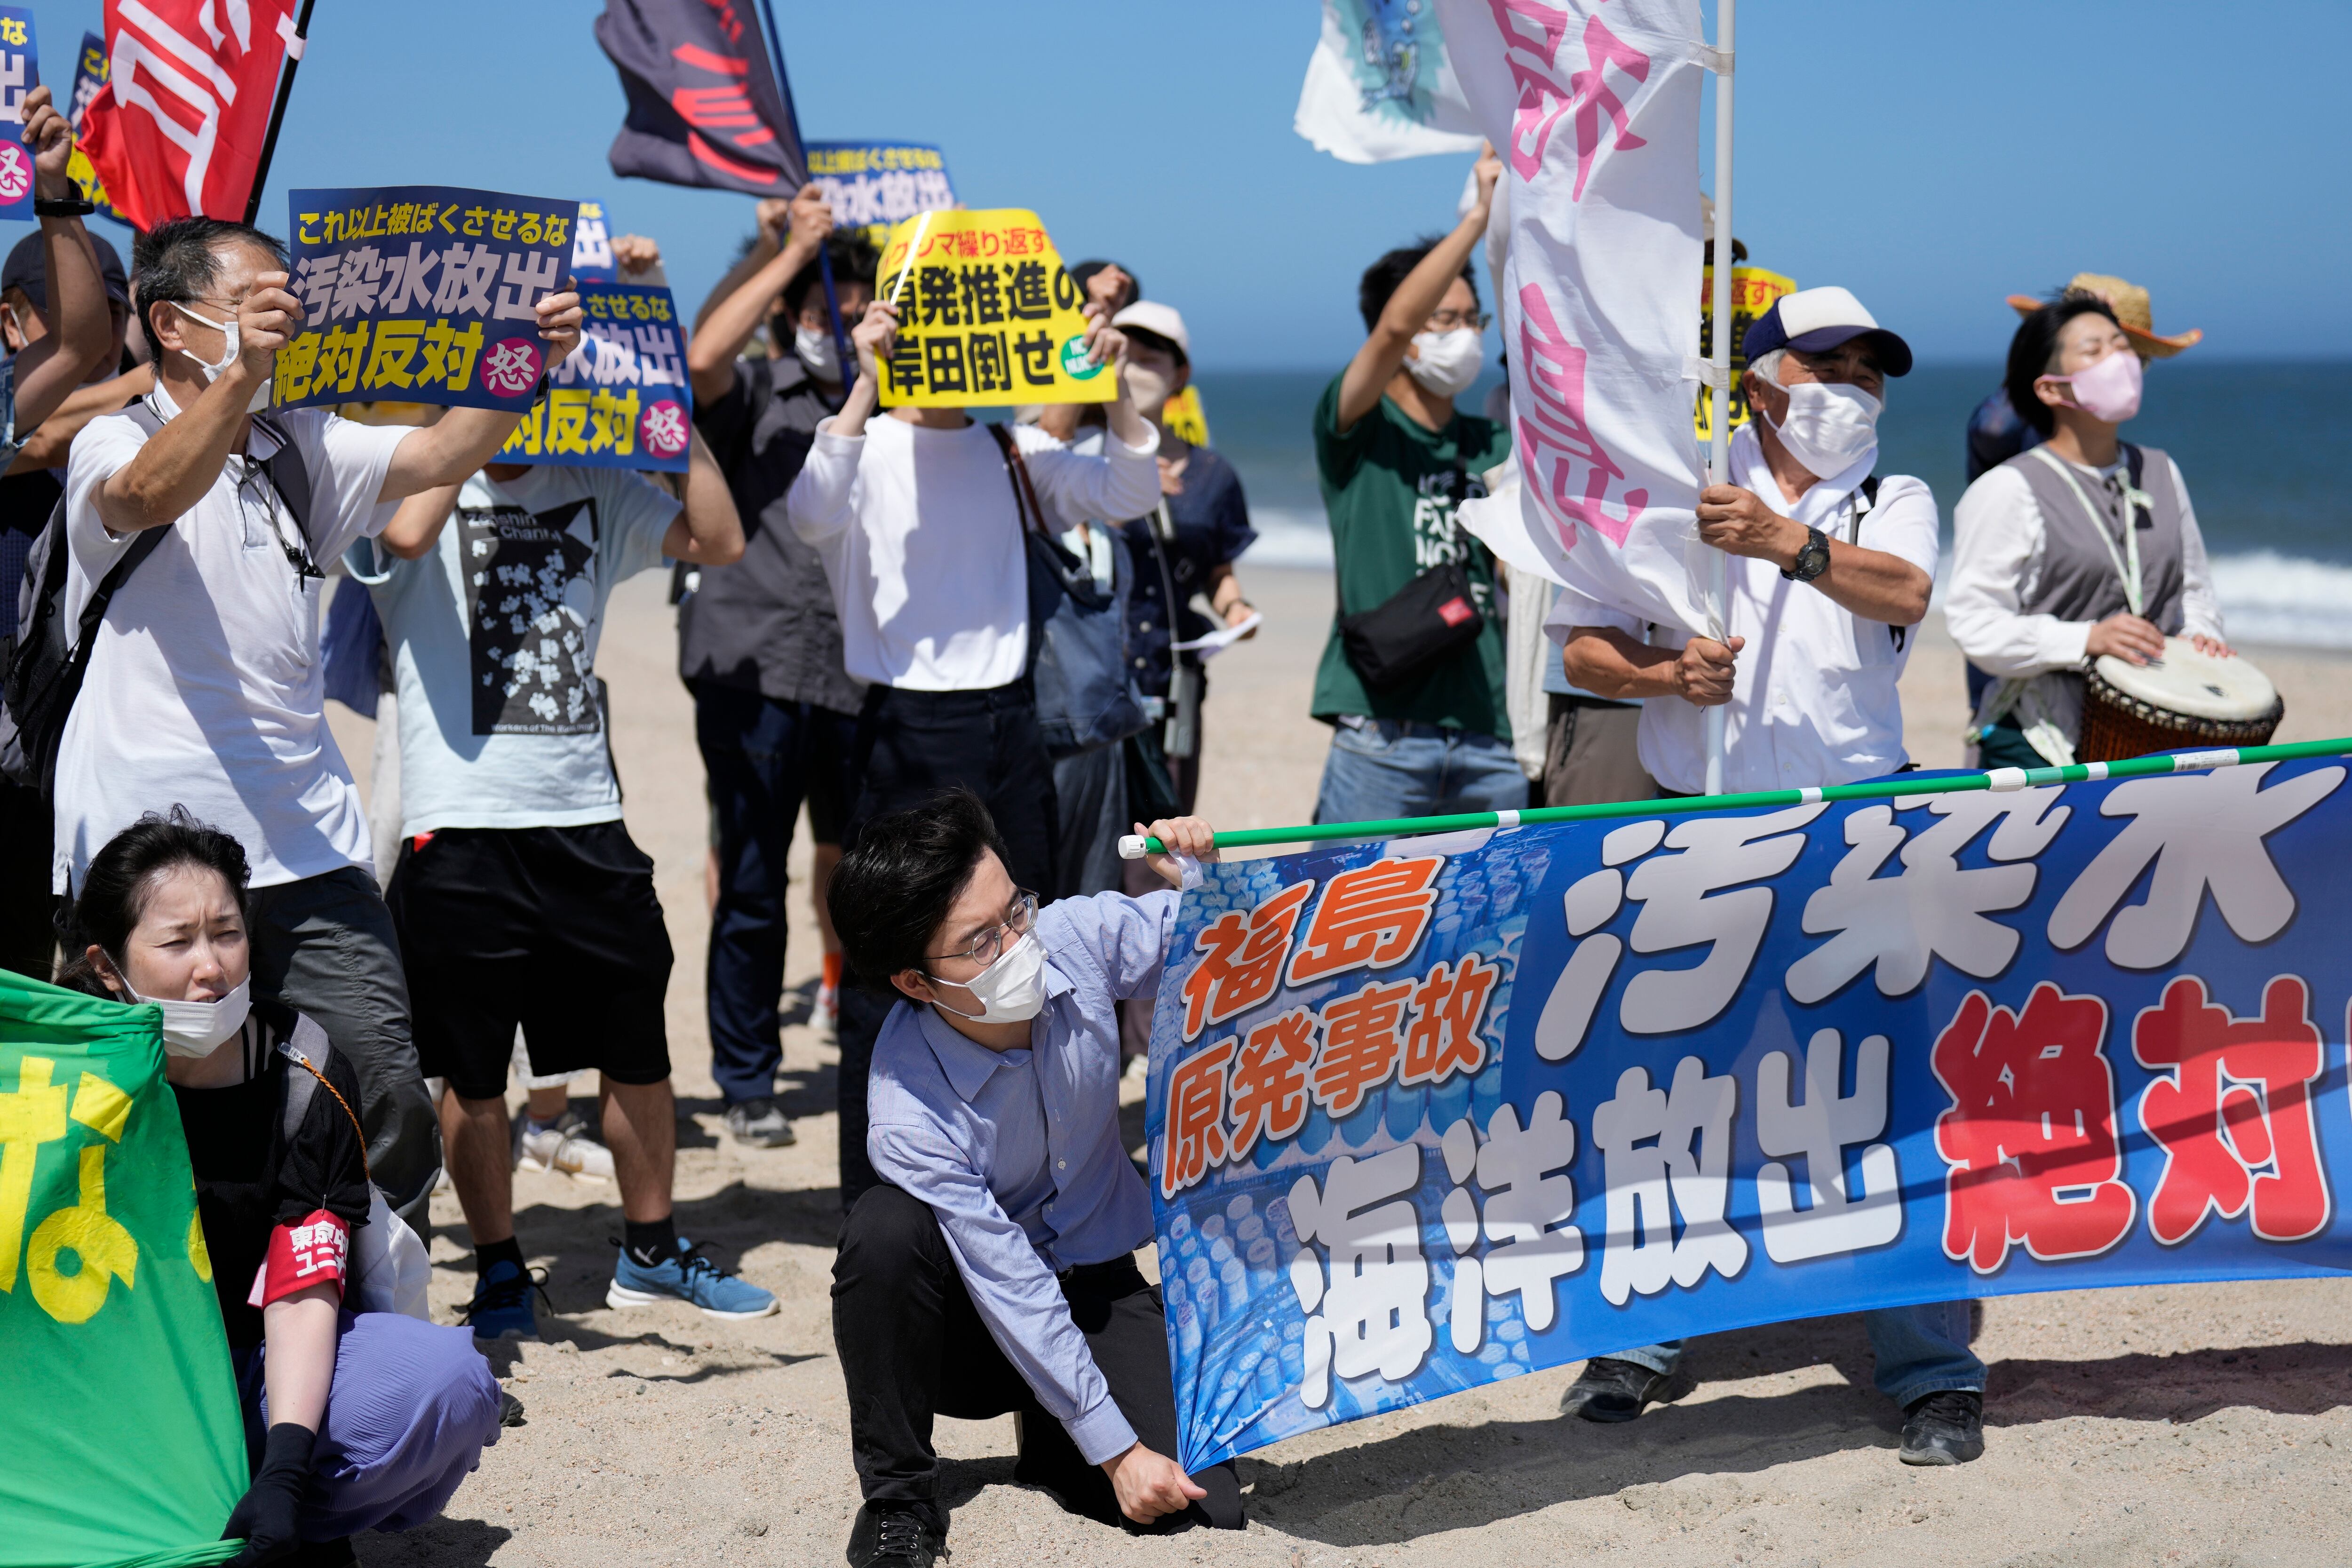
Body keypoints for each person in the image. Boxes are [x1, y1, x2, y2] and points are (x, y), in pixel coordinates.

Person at [54, 215, 584, 1228]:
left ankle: (382, 1333)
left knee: (382, 1086)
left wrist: (526, 360)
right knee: (140, 1098)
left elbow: (439, 449)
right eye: (259, 305)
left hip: (304, 839)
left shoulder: (301, 446)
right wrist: (242, 379)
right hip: (141, 849)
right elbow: (145, 495)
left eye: (290, 304)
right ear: (171, 323)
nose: (285, 321)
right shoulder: (110, 438)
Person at [1555, 286, 1987, 1465]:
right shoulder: (1667, 489)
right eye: (1826, 366)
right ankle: (1640, 1336)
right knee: (1673, 1090)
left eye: (1870, 371)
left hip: (1859, 821)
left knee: (1892, 1091)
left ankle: (1933, 1368)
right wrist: (1663, 678)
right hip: (1701, 823)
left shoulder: (1891, 495)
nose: (1853, 390)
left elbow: (1903, 594)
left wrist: (1784, 543)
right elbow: (1584, 645)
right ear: (1758, 379)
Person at [354, 409, 771, 1338]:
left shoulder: (599, 482)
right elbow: (408, 532)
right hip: (456, 822)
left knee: (638, 1051)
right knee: (471, 1071)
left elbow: (721, 537)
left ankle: (653, 1248)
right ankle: (500, 1265)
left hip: (585, 812)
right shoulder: (412, 476)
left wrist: (676, 417)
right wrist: (454, 416)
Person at [787, 279, 1160, 1206]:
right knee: (893, 972)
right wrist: (864, 384)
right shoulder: (863, 448)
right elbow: (809, 510)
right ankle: (876, 1201)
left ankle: (1021, 1177)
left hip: (1010, 721)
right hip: (909, 724)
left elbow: (1127, 488)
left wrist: (1108, 383)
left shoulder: (1012, 445)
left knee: (1024, 953)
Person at [59, 810, 502, 1564]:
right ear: (108, 968)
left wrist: (289, 1476)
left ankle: (278, 1518)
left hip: (255, 1369)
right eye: (177, 942)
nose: (212, 966)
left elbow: (304, 1284)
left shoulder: (306, 1069)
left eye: (227, 932)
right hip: (106, 1387)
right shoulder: (61, 1078)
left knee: (450, 1382)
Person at [826, 790, 1242, 1566]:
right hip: (970, 1323)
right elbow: (1008, 1280)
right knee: (883, 1228)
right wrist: (1117, 1453)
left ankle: (1057, 1438)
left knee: (1202, 1500)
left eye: (1015, 908)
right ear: (916, 982)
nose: (1018, 942)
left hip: (1094, 1281)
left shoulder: (1070, 936)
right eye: (979, 940)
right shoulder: (906, 1108)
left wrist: (1200, 878)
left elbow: (1219, 942)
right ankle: (899, 1498)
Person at [683, 185, 875, 1149]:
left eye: (839, 304)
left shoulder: (885, 411)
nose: (822, 323)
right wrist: (783, 250)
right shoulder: (753, 392)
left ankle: (871, 1053)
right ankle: (747, 1081)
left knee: (866, 881)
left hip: (860, 680)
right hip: (752, 670)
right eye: (811, 304)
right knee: (753, 886)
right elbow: (704, 354)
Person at [1311, 145, 1519, 826]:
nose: (1464, 336)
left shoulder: (1489, 443)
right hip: (1383, 733)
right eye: (1445, 319)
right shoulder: (1358, 429)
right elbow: (1398, 322)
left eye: (1472, 320)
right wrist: (1475, 221)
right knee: (1344, 920)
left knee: (1493, 932)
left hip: (1492, 736)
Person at [1947, 291, 2228, 768]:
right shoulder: (2006, 489)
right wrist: (2084, 640)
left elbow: (2194, 589)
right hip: (2038, 741)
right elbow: (1973, 624)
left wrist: (2200, 634)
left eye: (2122, 348)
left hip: (2156, 732)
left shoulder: (2161, 471)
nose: (2117, 361)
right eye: (2093, 351)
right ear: (2050, 389)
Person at [0, 87, 126, 985]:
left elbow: (81, 346)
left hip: (91, 738)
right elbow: (53, 417)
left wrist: (58, 193)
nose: (118, 335)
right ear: (10, 323)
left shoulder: (150, 443)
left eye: (135, 314)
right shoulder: (39, 422)